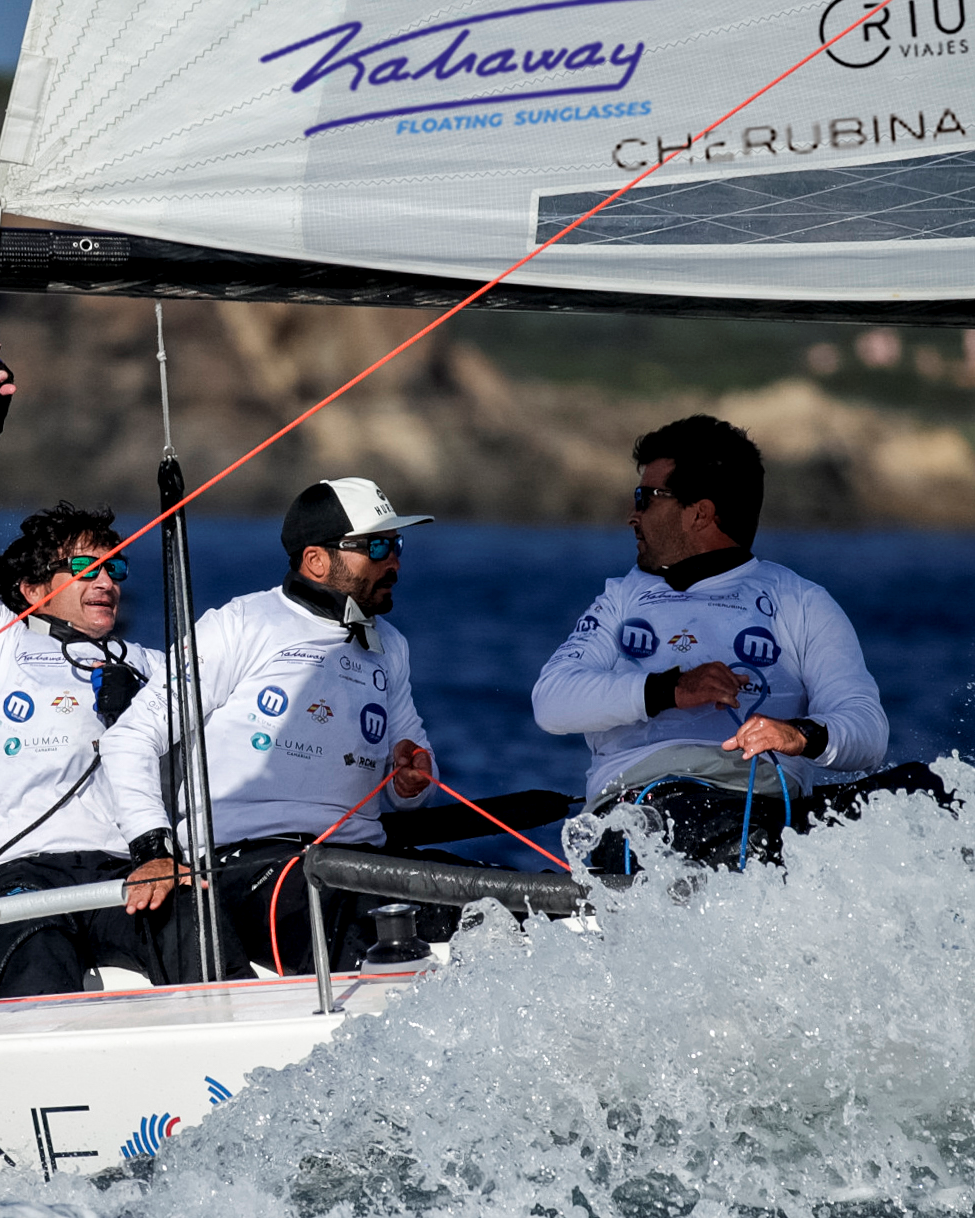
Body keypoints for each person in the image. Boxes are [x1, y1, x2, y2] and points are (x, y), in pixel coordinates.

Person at [532, 415, 930, 870]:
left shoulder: (800, 602)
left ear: (699, 513)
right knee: (729, 836)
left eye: (645, 498)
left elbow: (866, 728)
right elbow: (552, 701)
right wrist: (670, 691)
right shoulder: (622, 599)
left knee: (927, 791)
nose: (632, 515)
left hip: (771, 808)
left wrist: (799, 734)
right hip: (650, 808)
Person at [0, 337, 186, 995]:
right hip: (19, 875)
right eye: (86, 568)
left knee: (203, 939)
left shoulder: (151, 665)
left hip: (124, 872)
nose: (107, 581)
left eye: (115, 567)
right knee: (41, 971)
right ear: (35, 589)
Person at [105, 478, 443, 975]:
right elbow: (130, 739)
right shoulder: (241, 625)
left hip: (356, 859)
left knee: (511, 904)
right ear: (316, 561)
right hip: (248, 866)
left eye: (396, 544)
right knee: (353, 926)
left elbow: (409, 791)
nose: (393, 560)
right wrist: (153, 851)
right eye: (376, 545)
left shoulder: (390, 646)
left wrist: (414, 781)